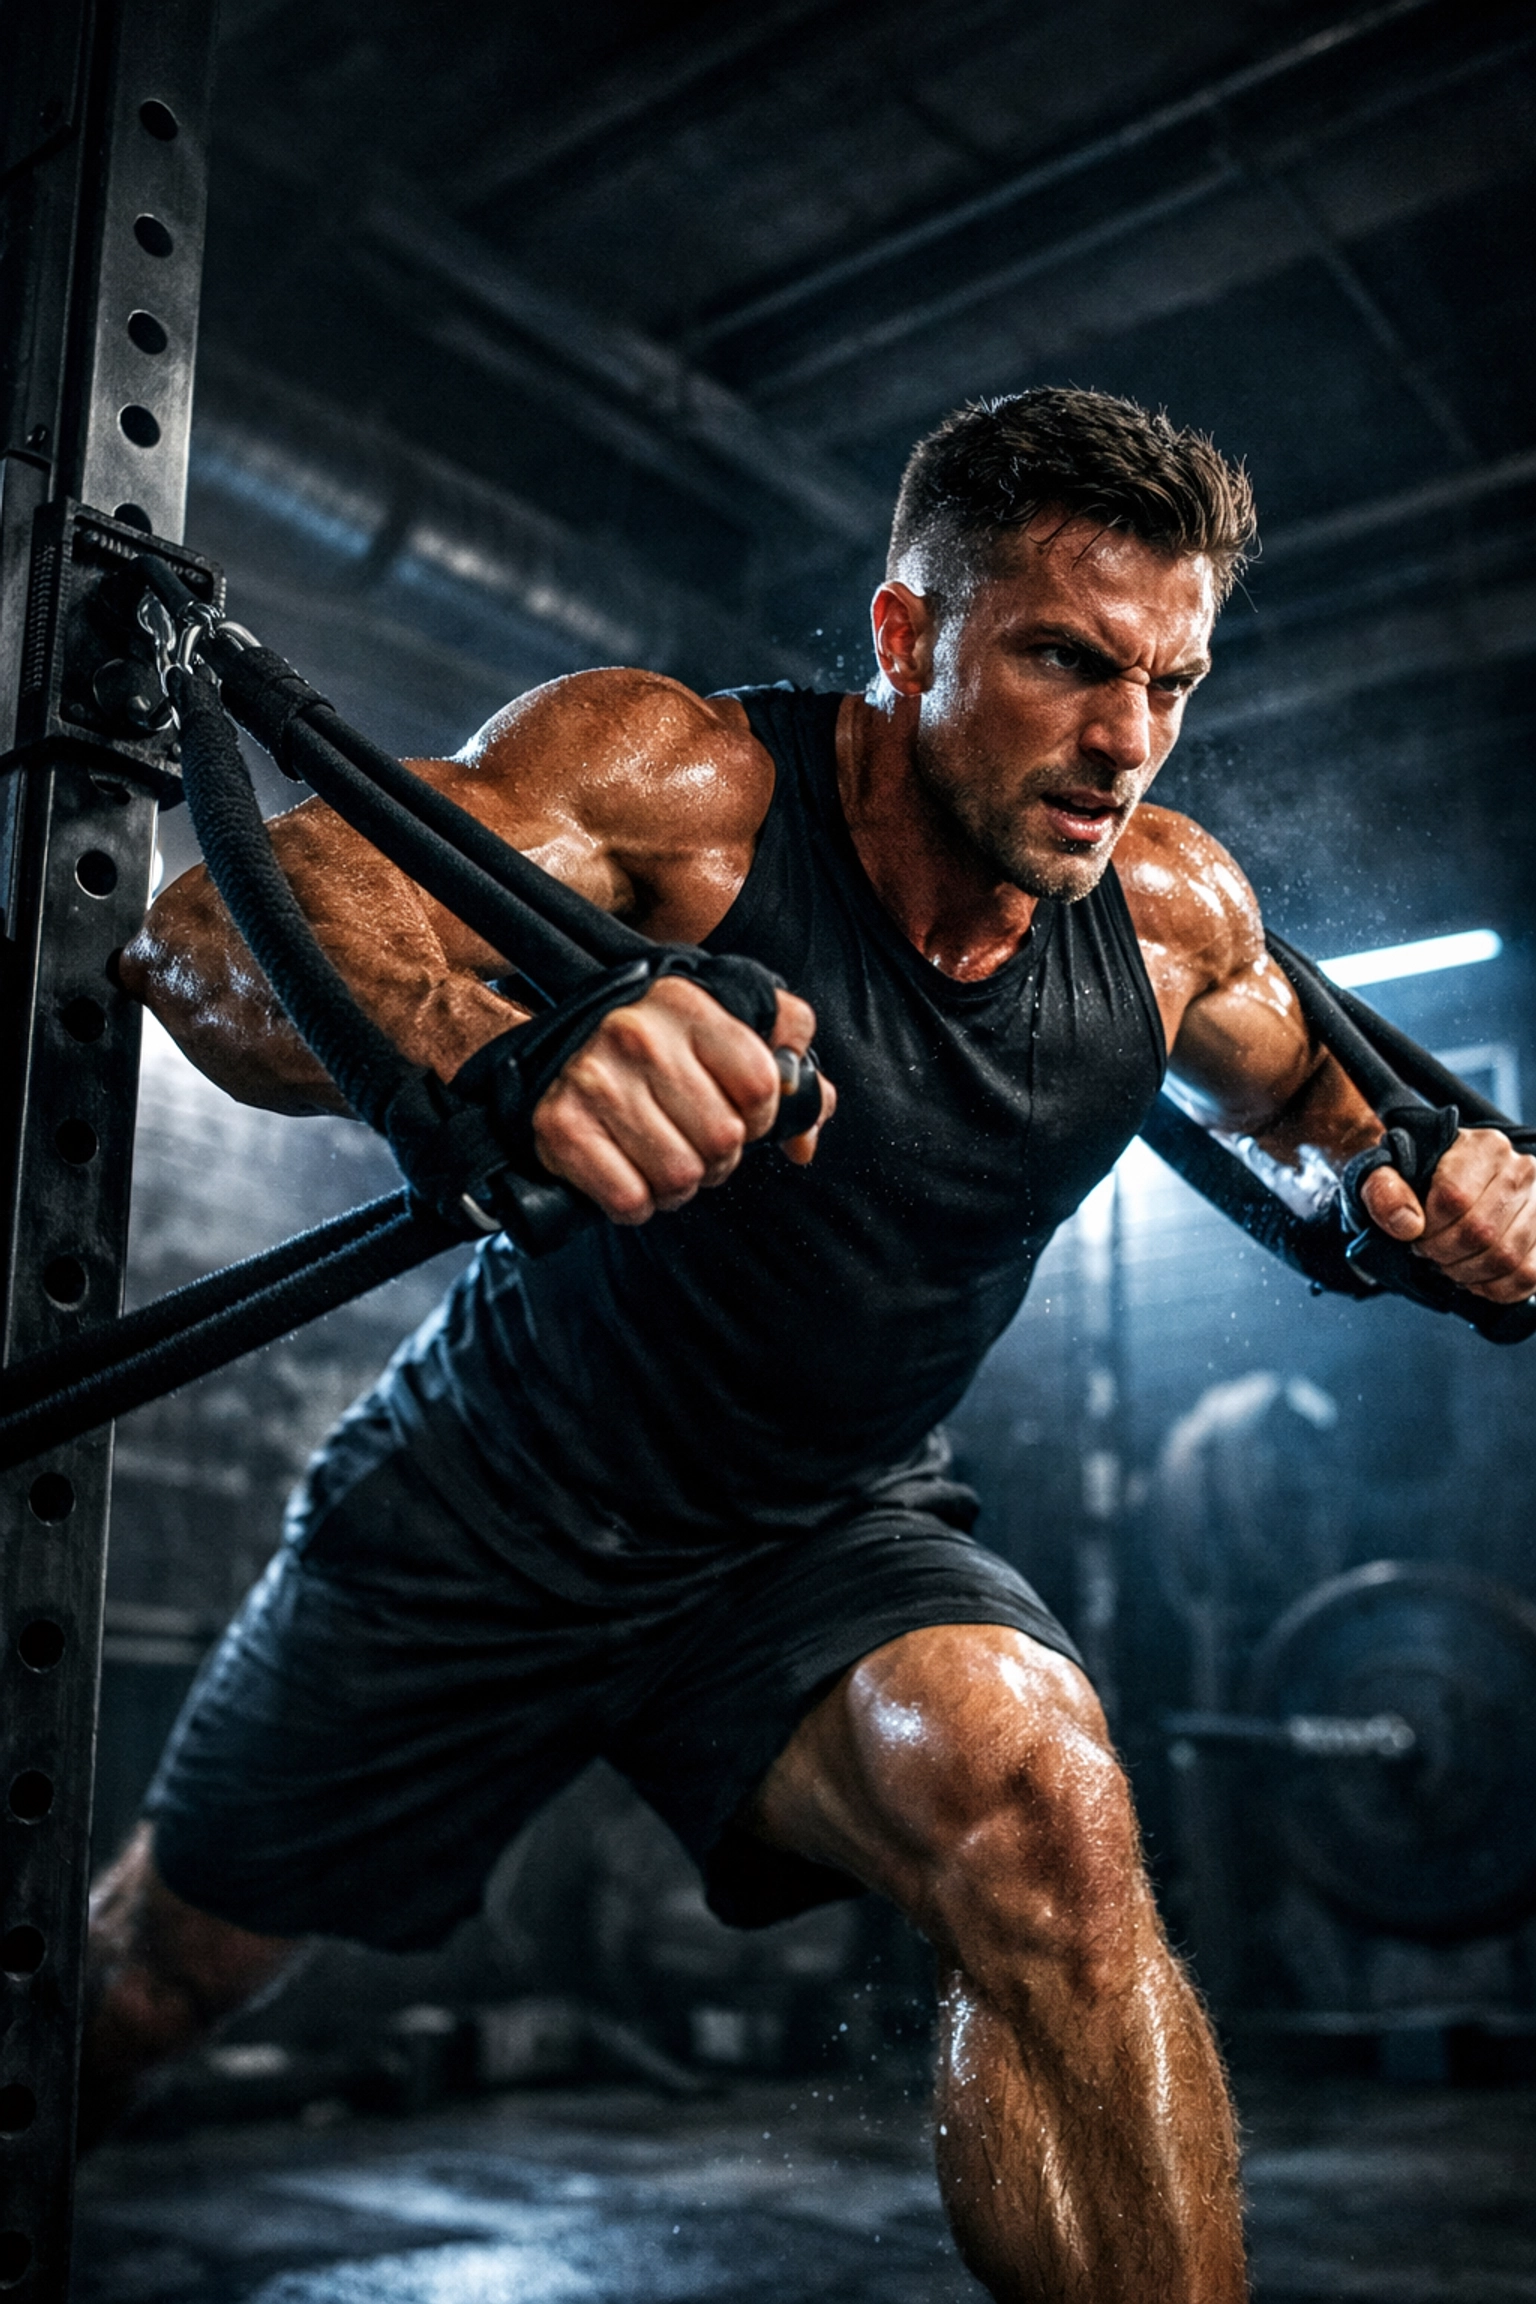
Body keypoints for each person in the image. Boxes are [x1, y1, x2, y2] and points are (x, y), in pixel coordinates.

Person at [87, 388, 1536, 2303]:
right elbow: (217, 930)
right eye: (1066, 661)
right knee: (156, 1981)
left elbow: (1347, 1130)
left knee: (1053, 1815)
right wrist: (500, 1048)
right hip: (490, 1505)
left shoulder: (1171, 914)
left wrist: (1443, 1201)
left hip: (815, 1530)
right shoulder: (680, 788)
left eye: (1172, 681)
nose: (1126, 742)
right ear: (907, 637)